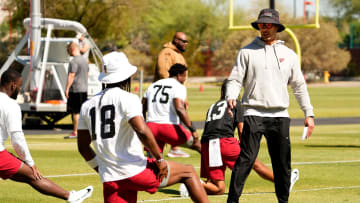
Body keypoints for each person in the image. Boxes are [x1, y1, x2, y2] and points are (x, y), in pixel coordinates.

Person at [76, 52, 208, 203]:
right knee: (189, 172)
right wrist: (159, 159)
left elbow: (83, 147)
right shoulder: (128, 98)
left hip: (110, 177)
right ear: (126, 75)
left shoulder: (87, 106)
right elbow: (142, 130)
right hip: (134, 171)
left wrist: (100, 168)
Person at [226, 9, 314, 203]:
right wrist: (231, 96)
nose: (264, 28)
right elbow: (234, 80)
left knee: (282, 163)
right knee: (245, 160)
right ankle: (232, 201)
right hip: (253, 112)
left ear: (276, 27)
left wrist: (309, 113)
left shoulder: (289, 54)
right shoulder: (246, 51)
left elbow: (299, 86)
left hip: (280, 115)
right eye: (261, 25)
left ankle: (283, 200)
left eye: (268, 25)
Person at [0, 69, 93, 203]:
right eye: (19, 87)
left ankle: (70, 196)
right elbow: (17, 139)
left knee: (27, 176)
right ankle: (71, 197)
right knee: (32, 175)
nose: (19, 90)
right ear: (13, 85)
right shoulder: (11, 105)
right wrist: (30, 163)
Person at [200, 79, 276, 195]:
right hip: (224, 142)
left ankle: (194, 183)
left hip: (207, 145)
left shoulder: (213, 106)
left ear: (222, 91)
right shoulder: (236, 103)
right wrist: (246, 146)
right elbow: (241, 129)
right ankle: (283, 182)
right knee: (253, 162)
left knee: (219, 189)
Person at [142, 63, 201, 156]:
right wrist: (193, 130)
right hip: (168, 127)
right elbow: (180, 108)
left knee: (154, 162)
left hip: (151, 127)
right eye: (185, 76)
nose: (185, 79)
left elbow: (143, 106)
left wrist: (144, 125)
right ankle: (213, 169)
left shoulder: (153, 85)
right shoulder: (179, 86)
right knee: (199, 146)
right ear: (179, 75)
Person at [154, 32, 190, 158]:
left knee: (172, 119)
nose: (186, 44)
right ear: (176, 40)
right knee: (169, 119)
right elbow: (163, 71)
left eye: (186, 42)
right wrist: (175, 92)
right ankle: (173, 147)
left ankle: (166, 148)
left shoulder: (177, 54)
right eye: (183, 41)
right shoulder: (167, 53)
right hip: (167, 94)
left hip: (176, 91)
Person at [64, 42, 89, 139]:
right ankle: (82, 131)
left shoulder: (74, 61)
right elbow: (87, 74)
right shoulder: (85, 60)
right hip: (84, 89)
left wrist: (67, 88)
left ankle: (75, 131)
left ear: (72, 49)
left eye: (68, 50)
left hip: (75, 89)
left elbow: (71, 75)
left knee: (75, 112)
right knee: (82, 112)